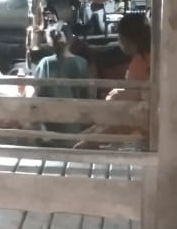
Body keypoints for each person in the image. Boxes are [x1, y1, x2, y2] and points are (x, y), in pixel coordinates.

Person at [75, 13, 151, 149]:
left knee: (83, 144)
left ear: (127, 39)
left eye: (119, 38)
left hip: (137, 120)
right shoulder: (148, 57)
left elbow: (131, 102)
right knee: (88, 134)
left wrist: (115, 97)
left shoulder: (140, 62)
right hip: (138, 116)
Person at [31, 30, 91, 140]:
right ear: (71, 40)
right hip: (76, 127)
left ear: (49, 42)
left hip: (52, 126)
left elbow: (37, 94)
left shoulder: (45, 63)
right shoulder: (82, 63)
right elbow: (87, 95)